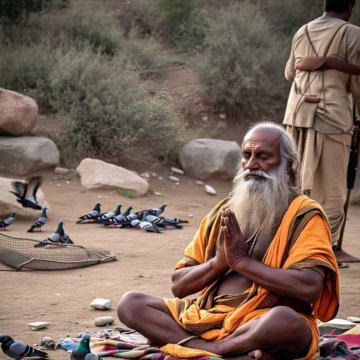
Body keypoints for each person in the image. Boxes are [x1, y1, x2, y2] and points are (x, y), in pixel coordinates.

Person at [117, 123, 339, 360]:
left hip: (260, 321)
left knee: (284, 321)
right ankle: (229, 350)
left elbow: (308, 287)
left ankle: (206, 348)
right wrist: (219, 262)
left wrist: (242, 262)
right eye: (247, 155)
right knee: (130, 303)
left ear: (289, 166)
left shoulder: (304, 215)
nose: (252, 165)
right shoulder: (223, 211)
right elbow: (179, 286)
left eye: (263, 157)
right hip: (206, 315)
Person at [283, 0, 360, 247]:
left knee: (296, 184)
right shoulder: (352, 32)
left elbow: (289, 73)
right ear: (350, 7)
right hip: (333, 119)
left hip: (295, 117)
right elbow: (356, 85)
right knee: (333, 190)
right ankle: (325, 248)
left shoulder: (302, 31)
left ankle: (293, 242)